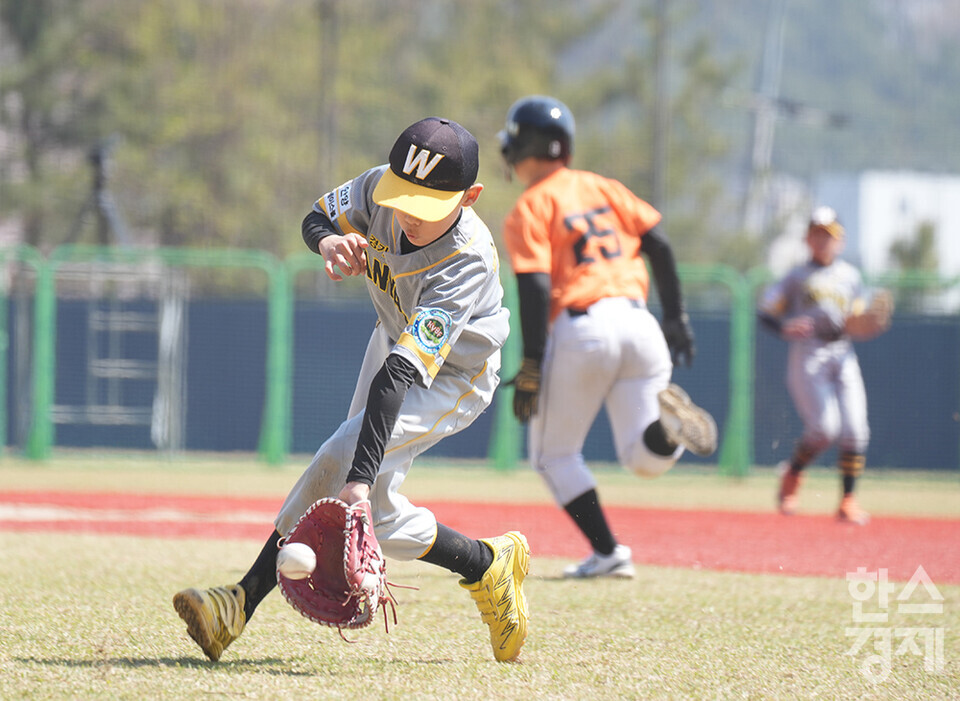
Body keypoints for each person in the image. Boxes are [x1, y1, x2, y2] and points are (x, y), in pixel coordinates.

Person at [173, 117, 529, 663]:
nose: (407, 213)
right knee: (378, 515)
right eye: (402, 196)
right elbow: (316, 216)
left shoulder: (468, 260)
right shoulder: (380, 187)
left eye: (426, 205)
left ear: (470, 197)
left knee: (345, 460)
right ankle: (486, 565)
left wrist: (357, 483)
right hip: (392, 340)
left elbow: (400, 376)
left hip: (455, 376)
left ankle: (238, 603)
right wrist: (330, 242)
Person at [497, 95, 717, 579]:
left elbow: (534, 285)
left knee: (553, 456)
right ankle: (669, 429)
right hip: (642, 324)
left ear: (521, 147)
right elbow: (658, 244)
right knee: (644, 457)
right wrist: (676, 316)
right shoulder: (603, 187)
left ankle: (609, 552)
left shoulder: (530, 205)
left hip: (584, 327)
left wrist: (532, 360)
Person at [758, 206, 873, 525]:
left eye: (829, 235)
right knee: (824, 430)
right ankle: (792, 474)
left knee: (856, 430)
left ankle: (848, 501)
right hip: (809, 354)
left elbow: (859, 317)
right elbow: (765, 311)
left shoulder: (851, 277)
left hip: (843, 353)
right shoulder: (796, 277)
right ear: (808, 239)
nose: (823, 241)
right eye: (817, 234)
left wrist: (866, 323)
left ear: (841, 240)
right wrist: (783, 327)